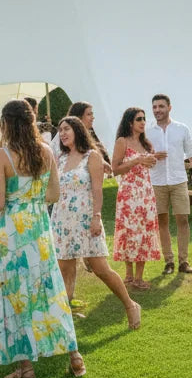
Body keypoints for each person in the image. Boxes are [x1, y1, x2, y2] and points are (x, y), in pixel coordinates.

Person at [0, 99, 84, 378]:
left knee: (17, 291)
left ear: (5, 123)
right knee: (49, 288)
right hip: (39, 226)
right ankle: (75, 357)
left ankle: (26, 367)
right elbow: (53, 195)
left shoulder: (1, 156)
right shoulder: (45, 151)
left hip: (14, 230)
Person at [51, 116, 142, 330]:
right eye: (60, 130)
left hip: (86, 218)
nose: (62, 134)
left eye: (66, 129)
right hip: (62, 219)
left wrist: (96, 217)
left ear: (78, 131)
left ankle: (130, 305)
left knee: (100, 268)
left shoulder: (91, 156)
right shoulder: (60, 158)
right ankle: (65, 320)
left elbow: (97, 190)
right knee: (65, 268)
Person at [148, 93, 192, 275]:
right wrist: (151, 157)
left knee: (182, 219)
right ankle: (169, 261)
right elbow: (141, 155)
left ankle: (184, 261)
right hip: (156, 182)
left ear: (169, 107)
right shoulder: (148, 130)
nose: (157, 110)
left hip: (178, 180)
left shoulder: (182, 129)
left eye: (161, 106)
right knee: (162, 221)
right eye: (154, 107)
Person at [112, 107, 162, 290]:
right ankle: (128, 276)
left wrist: (152, 160)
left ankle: (139, 277)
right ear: (130, 122)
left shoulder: (147, 143)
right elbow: (115, 168)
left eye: (144, 118)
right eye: (139, 119)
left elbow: (149, 164)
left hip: (146, 194)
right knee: (129, 232)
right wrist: (136, 160)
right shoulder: (122, 141)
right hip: (128, 194)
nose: (143, 122)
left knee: (144, 232)